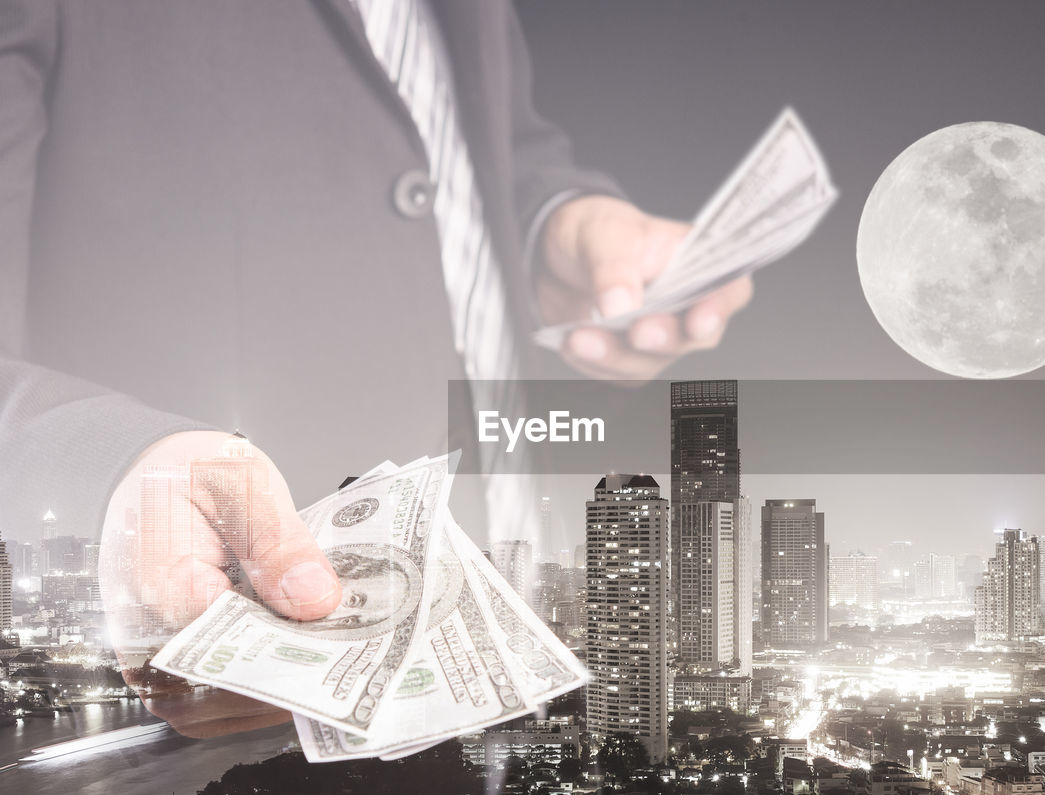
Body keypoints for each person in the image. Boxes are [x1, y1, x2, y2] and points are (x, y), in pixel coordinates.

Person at [0, 0, 751, 734]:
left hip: (499, 671)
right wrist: (115, 470)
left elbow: (492, 143)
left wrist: (553, 221)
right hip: (274, 683)